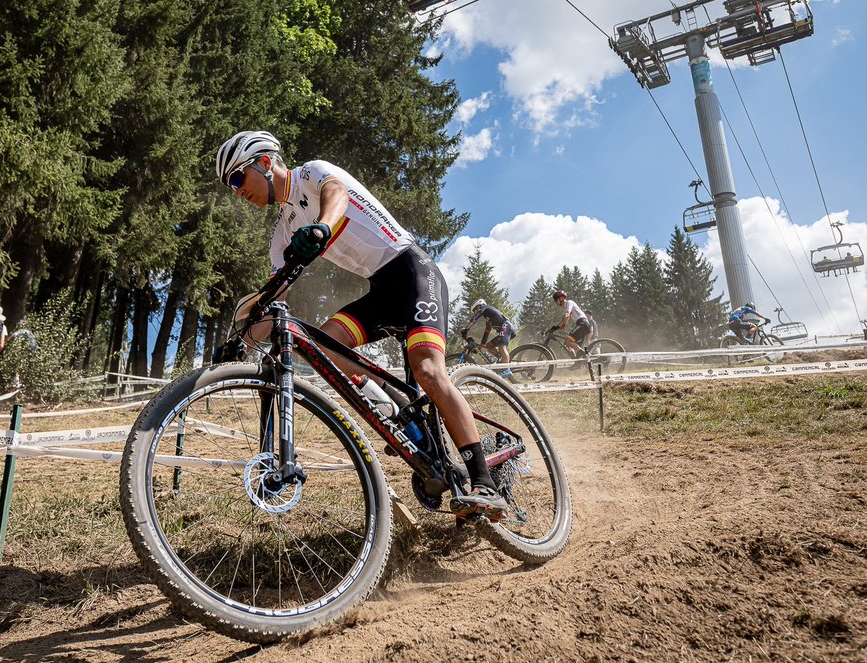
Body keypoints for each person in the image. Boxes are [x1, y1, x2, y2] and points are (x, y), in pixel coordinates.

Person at [216, 130, 508, 521]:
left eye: (237, 179)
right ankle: (394, 400)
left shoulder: (311, 173)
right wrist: (240, 341)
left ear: (266, 163)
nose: (237, 192)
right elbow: (275, 299)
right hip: (381, 292)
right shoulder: (281, 232)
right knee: (321, 346)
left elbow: (337, 195)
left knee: (427, 369)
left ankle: (484, 482)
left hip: (413, 273)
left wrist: (321, 227)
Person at [459, 298, 514, 374]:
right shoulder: (488, 318)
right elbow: (487, 331)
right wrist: (482, 344)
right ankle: (501, 358)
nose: (474, 313)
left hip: (506, 326)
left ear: (478, 306)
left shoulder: (486, 308)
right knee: (489, 346)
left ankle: (507, 369)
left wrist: (466, 328)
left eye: (474, 310)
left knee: (502, 346)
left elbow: (477, 316)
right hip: (504, 330)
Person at [551, 291, 592, 357]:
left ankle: (586, 355)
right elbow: (564, 324)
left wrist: (558, 326)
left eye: (556, 299)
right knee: (567, 343)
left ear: (561, 298)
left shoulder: (569, 303)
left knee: (568, 341)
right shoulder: (566, 307)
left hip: (583, 323)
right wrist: (556, 328)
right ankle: (577, 360)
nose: (555, 302)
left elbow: (567, 315)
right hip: (582, 325)